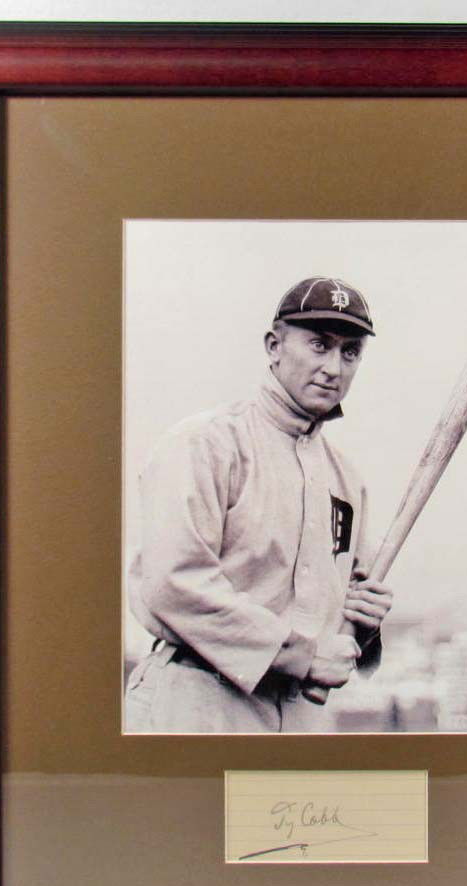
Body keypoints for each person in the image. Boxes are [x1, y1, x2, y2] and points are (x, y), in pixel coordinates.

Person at [124, 276, 393, 733]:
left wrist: (362, 622)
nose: (334, 367)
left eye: (350, 352)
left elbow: (334, 612)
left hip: (303, 714)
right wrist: (302, 655)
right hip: (199, 698)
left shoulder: (346, 480)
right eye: (319, 344)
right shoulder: (206, 443)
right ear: (274, 345)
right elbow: (173, 583)